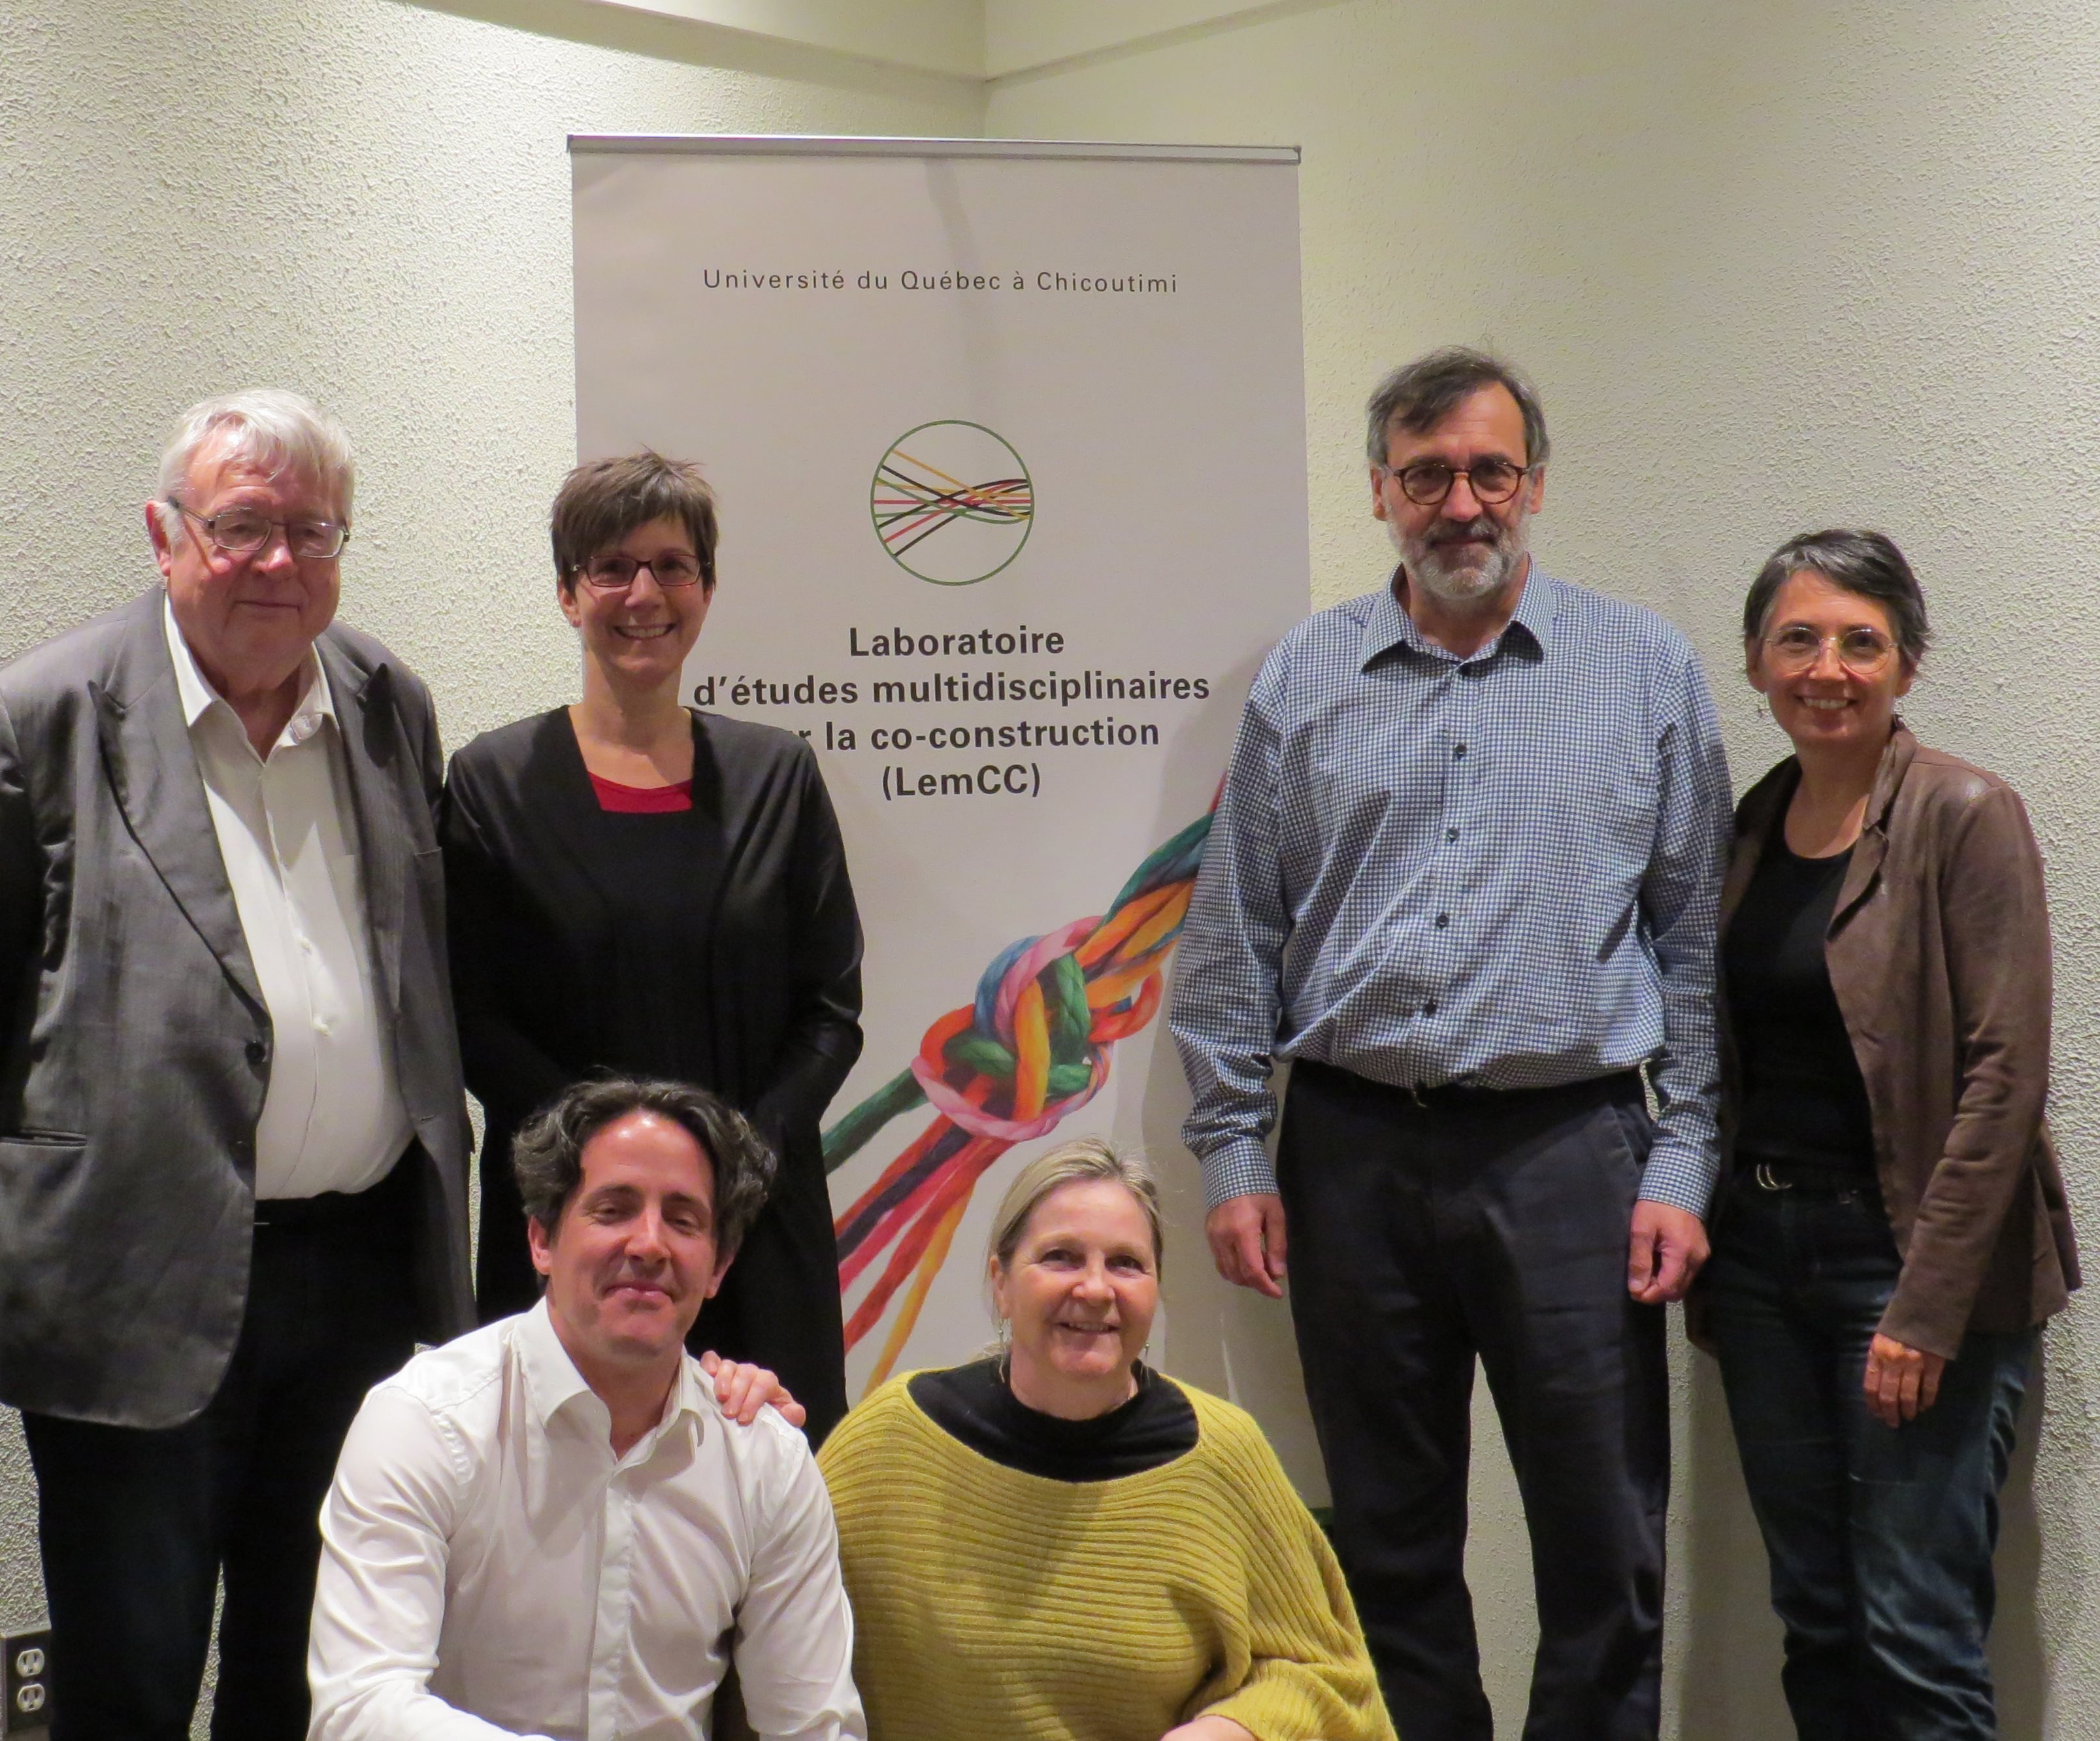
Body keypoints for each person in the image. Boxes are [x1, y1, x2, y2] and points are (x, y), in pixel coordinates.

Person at [1167, 346, 1730, 1740]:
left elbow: (1694, 944)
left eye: (1488, 471)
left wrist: (1681, 1163)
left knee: (1604, 1543)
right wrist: (1234, 1152)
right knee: (1386, 1539)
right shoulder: (1306, 673)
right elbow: (1235, 934)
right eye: (1426, 476)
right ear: (1379, 492)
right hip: (1352, 1154)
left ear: (1533, 483)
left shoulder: (1642, 668)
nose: (1460, 503)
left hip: (1572, 1153)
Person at [0, 390, 472, 1740]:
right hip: (132, 1279)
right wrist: (65, 1209)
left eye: (311, 530)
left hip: (360, 1281)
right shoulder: (40, 716)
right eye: (241, 527)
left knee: (321, 1675)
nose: (278, 561)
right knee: (130, 1681)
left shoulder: (387, 703)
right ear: (164, 536)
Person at [1705, 529, 2077, 1738]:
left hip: (1910, 1264)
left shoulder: (1966, 813)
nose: (1828, 668)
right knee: (1815, 1615)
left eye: (1860, 642)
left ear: (1906, 664)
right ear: (1756, 663)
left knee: (1916, 1629)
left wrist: (1926, 1309)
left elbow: (2005, 1077)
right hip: (1762, 1266)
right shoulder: (1752, 824)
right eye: (1798, 639)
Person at [441, 452, 864, 1438]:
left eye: (673, 567)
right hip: (569, 1225)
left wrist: (725, 1171)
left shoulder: (778, 776)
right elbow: (469, 1015)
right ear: (567, 593)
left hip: (754, 1224)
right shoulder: (492, 785)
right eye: (612, 568)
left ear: (706, 589)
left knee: (758, 1490)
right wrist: (606, 1173)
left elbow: (829, 1012)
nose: (644, 595)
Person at [307, 1076, 865, 1741]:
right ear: (542, 1240)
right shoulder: (424, 1421)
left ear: (718, 1266)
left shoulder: (763, 1456)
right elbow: (359, 1711)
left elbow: (813, 1727)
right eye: (614, 1210)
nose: (649, 1244)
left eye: (683, 1220)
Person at [819, 1140, 1394, 1741]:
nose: (1095, 1289)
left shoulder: (1222, 1455)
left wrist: (1234, 1729)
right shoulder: (890, 1443)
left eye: (1125, 1264)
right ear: (1001, 1283)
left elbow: (1327, 1674)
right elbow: (772, 1613)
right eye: (1061, 1257)